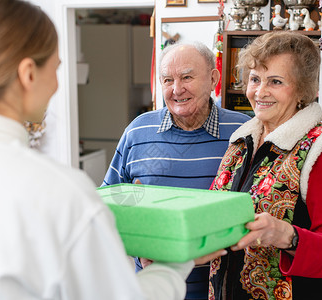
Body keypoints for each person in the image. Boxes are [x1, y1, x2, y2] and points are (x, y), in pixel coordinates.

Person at [0, 1, 224, 299]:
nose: (55, 86)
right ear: (28, 74)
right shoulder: (59, 191)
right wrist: (176, 261)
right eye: (56, 69)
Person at [208, 31, 322, 300]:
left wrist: (285, 235)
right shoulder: (240, 143)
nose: (260, 91)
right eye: (255, 79)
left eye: (275, 81)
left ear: (302, 89)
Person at [102, 42, 251, 299]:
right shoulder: (137, 131)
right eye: (167, 80)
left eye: (187, 77)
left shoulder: (243, 131)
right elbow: (108, 205)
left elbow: (258, 204)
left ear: (213, 78)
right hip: (153, 288)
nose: (176, 89)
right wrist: (138, 245)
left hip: (225, 289)